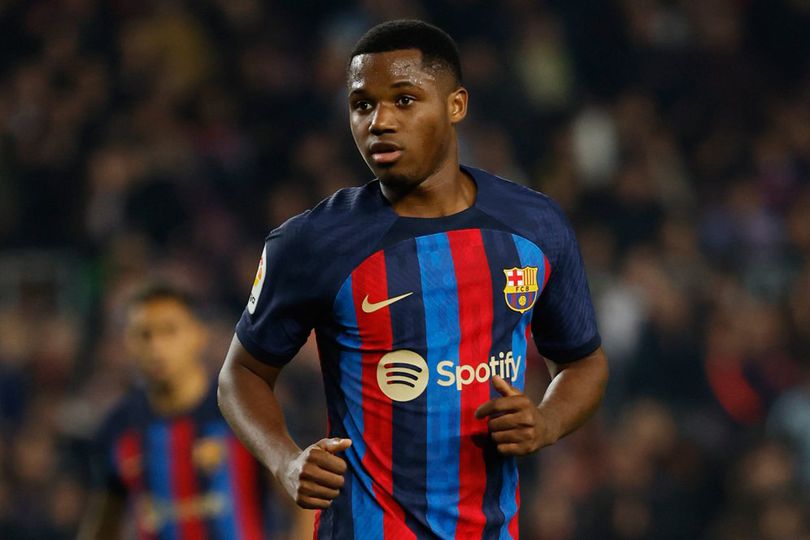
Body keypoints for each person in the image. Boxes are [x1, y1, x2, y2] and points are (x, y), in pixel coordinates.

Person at [218, 19, 609, 539]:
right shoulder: (311, 243)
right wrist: (285, 461)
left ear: (456, 105)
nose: (379, 121)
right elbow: (240, 375)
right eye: (362, 105)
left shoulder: (535, 225)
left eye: (404, 100)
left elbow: (582, 363)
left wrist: (547, 422)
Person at [79, 282, 312, 540]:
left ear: (199, 335)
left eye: (169, 331)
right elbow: (104, 523)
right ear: (128, 344)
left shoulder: (246, 410)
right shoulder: (118, 427)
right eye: (144, 335)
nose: (156, 346)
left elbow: (302, 502)